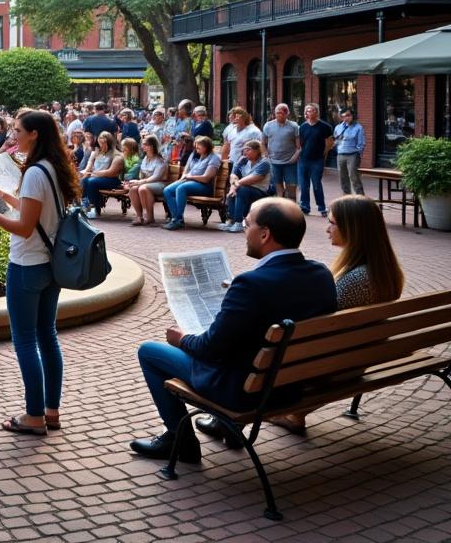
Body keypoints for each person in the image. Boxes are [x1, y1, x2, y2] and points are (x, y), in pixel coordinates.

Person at [129, 198, 337, 462]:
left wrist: (182, 340)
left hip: (243, 392)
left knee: (149, 351)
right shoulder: (321, 275)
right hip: (293, 387)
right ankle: (224, 429)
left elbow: (209, 349)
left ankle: (180, 441)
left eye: (247, 223)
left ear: (265, 234)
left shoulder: (251, 285)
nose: (243, 228)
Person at [0, 110, 80, 436]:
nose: (12, 135)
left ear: (33, 134)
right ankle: (51, 411)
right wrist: (6, 198)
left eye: (17, 130)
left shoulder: (34, 172)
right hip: (49, 265)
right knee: (48, 336)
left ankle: (33, 416)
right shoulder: (53, 168)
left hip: (26, 265)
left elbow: (25, 226)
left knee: (26, 341)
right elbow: (38, 212)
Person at [269, 194, 405, 435]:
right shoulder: (384, 270)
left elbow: (320, 323)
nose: (327, 229)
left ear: (353, 229)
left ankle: (230, 420)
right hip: (358, 356)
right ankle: (296, 415)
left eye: (333, 223)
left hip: (333, 365)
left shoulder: (357, 279)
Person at [162, 135, 222, 230]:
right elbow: (187, 169)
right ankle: (177, 218)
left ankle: (177, 220)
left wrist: (190, 177)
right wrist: (183, 177)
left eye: (199, 146)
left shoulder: (214, 158)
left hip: (204, 186)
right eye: (196, 146)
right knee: (167, 190)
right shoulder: (197, 155)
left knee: (181, 188)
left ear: (206, 147)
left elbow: (206, 178)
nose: (196, 148)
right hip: (189, 181)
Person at [220, 139, 272, 234]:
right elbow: (233, 175)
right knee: (232, 193)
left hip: (260, 191)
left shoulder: (264, 163)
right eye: (244, 149)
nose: (245, 152)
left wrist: (235, 186)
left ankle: (238, 223)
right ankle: (231, 221)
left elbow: (254, 178)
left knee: (241, 190)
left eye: (248, 149)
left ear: (257, 151)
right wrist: (233, 187)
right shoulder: (243, 160)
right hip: (242, 187)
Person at [295, 103, 334, 216]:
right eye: (306, 111)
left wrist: (324, 154)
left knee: (316, 183)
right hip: (303, 160)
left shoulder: (325, 127)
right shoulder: (302, 127)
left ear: (316, 112)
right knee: (303, 184)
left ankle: (321, 207)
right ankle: (305, 206)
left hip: (317, 160)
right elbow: (300, 143)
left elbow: (330, 143)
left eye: (310, 110)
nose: (307, 113)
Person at [79, 131, 124, 218]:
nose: (101, 145)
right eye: (100, 142)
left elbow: (111, 172)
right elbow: (89, 166)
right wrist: (82, 173)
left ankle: (94, 207)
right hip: (96, 177)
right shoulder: (96, 153)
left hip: (111, 179)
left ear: (109, 142)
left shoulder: (116, 155)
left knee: (92, 181)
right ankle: (85, 205)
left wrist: (93, 174)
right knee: (85, 180)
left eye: (103, 143)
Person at [127, 136, 168, 227]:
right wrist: (135, 182)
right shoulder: (145, 158)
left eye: (146, 144)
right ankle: (139, 216)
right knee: (133, 189)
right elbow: (142, 174)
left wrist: (140, 182)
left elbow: (156, 177)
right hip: (147, 182)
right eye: (143, 144)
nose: (143, 146)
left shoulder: (159, 160)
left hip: (160, 184)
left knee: (143, 188)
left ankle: (149, 216)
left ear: (152, 146)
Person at [262, 104, 299, 201]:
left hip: (290, 162)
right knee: (278, 188)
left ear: (287, 114)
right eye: (277, 113)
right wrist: (266, 154)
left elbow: (299, 146)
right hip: (274, 162)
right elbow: (263, 143)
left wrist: (295, 157)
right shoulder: (268, 125)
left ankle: (292, 209)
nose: (278, 115)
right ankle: (281, 209)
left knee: (291, 188)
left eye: (281, 113)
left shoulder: (294, 126)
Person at [333, 108, 366, 196]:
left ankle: (361, 198)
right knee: (342, 177)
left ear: (352, 116)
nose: (346, 118)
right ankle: (347, 198)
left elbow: (361, 143)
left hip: (353, 155)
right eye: (343, 116)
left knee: (354, 177)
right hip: (340, 155)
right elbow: (336, 141)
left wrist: (359, 155)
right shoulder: (338, 127)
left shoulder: (358, 127)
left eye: (348, 115)